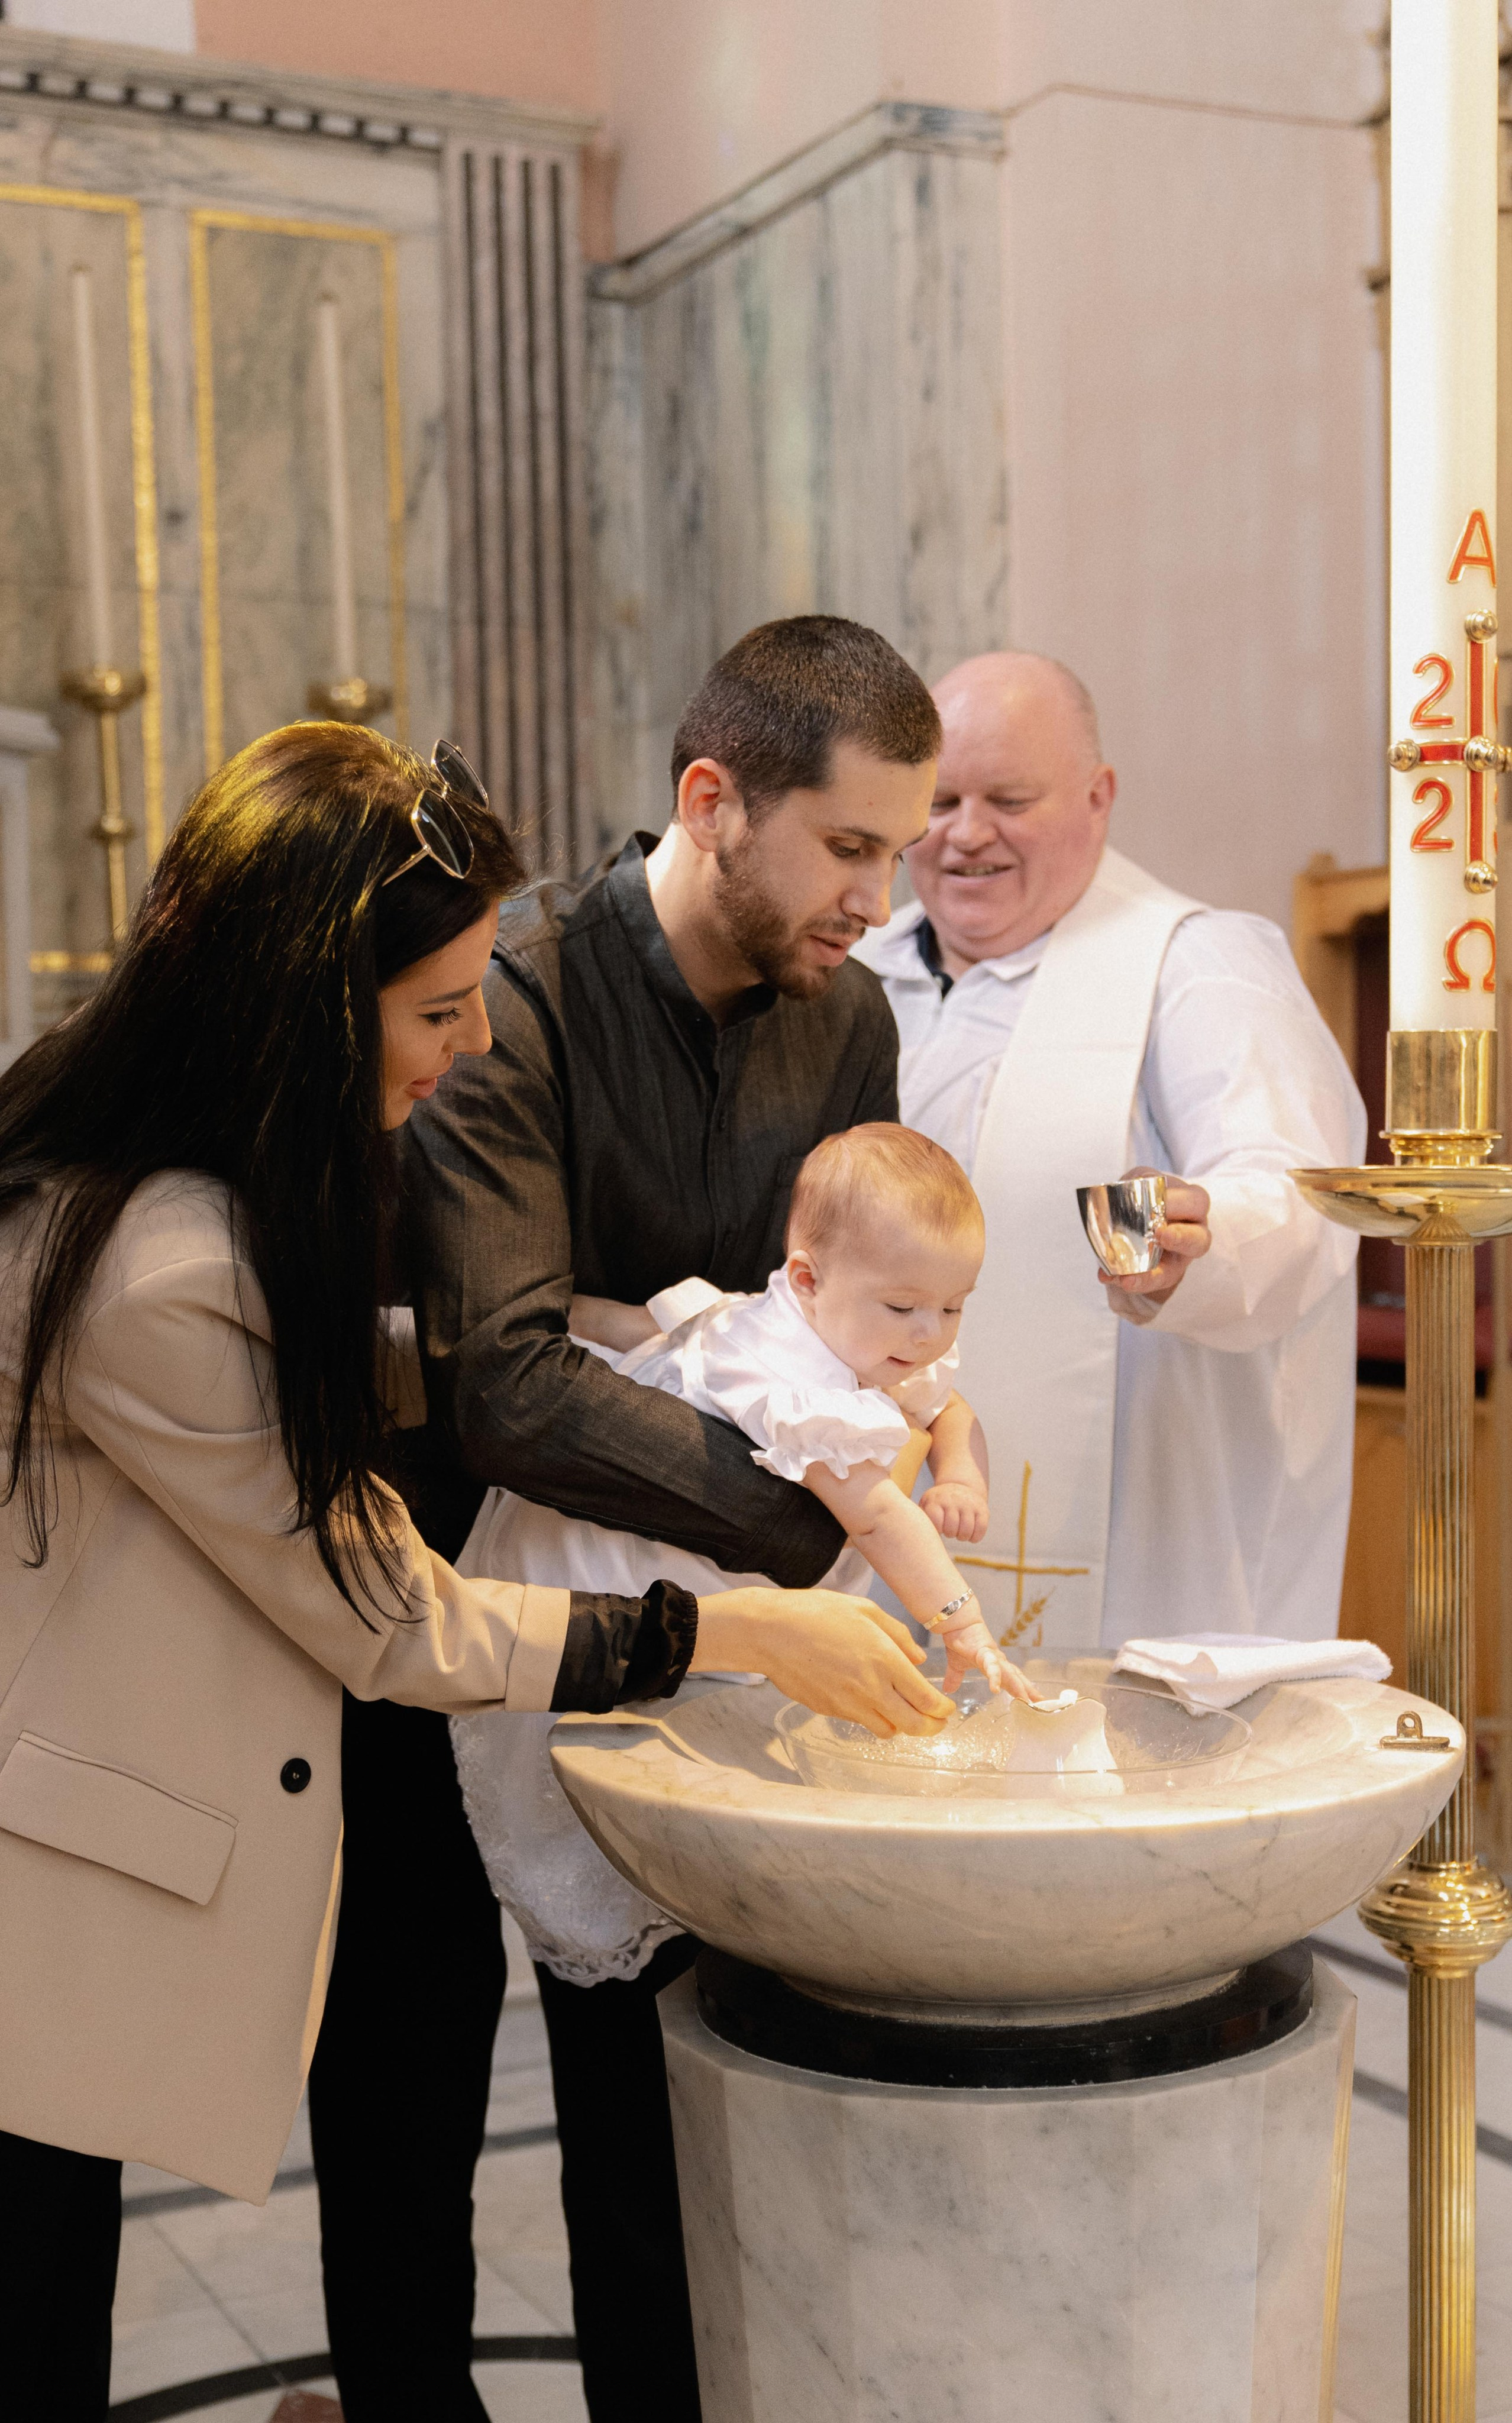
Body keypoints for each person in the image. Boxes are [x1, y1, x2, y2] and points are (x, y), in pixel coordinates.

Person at [0, 721, 948, 2423]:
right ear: (300, 1006)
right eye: (438, 1010)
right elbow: (382, 1606)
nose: (466, 1046)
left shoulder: (199, 1185)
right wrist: (727, 1625)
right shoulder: (159, 1262)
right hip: (62, 1844)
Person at [325, 615, 942, 2423]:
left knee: (652, 2101)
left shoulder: (853, 1022)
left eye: (892, 851)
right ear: (712, 799)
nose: (875, 891)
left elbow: (830, 1324)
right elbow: (506, 1380)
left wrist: (886, 1436)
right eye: (849, 846)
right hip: (443, 1625)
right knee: (404, 2082)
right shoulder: (506, 1002)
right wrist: (802, 1518)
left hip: (696, 1666)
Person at [854, 650, 1367, 1653]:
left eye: (1008, 798)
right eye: (942, 799)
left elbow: (1297, 1187)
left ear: (1099, 796)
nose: (967, 835)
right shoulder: (853, 975)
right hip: (869, 1515)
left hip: (1139, 1524)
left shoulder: (1198, 962)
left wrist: (1200, 1238)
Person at [453, 1121, 1031, 1981]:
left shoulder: (872, 1325)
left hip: (723, 1542)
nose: (930, 1335)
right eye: (908, 1308)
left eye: (954, 1307)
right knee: (646, 1786)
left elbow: (948, 1408)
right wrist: (962, 1622)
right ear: (806, 1278)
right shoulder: (784, 1375)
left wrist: (961, 1479)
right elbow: (874, 1516)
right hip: (621, 1555)